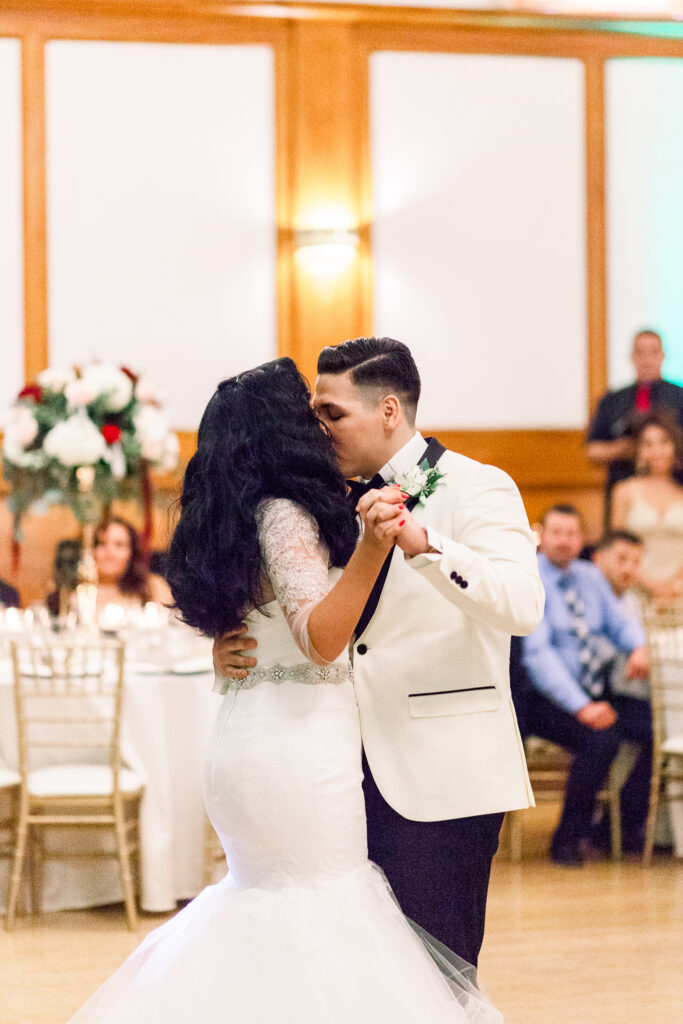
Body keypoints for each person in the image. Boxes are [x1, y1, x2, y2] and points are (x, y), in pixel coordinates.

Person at [66, 357, 503, 1024]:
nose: (319, 420)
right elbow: (320, 638)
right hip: (297, 749)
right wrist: (371, 549)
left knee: (264, 911)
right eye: (309, 411)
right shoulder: (283, 515)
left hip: (250, 736)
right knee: (318, 914)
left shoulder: (233, 515)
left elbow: (260, 625)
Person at [214, 336, 544, 967]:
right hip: (330, 777)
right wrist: (236, 645)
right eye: (315, 412)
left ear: (389, 411)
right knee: (352, 973)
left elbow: (523, 606)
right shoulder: (318, 497)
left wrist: (425, 546)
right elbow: (314, 616)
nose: (319, 427)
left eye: (332, 413)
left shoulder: (478, 486)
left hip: (439, 773)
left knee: (437, 971)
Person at [522, 505, 652, 864]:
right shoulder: (529, 576)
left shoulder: (589, 576)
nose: (565, 541)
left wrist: (639, 646)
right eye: (557, 533)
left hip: (595, 691)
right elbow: (538, 656)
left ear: (581, 540)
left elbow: (618, 623)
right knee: (599, 740)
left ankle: (618, 827)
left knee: (654, 726)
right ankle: (567, 838)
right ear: (543, 536)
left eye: (572, 534)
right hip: (543, 699)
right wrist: (582, 706)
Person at [586, 328, 683, 523]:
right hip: (624, 488)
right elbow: (592, 449)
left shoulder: (679, 398)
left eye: (653, 352)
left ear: (663, 356)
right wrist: (621, 449)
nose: (647, 359)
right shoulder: (613, 400)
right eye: (640, 352)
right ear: (632, 356)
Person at [610, 411, 683, 601]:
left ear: (674, 446)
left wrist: (675, 586)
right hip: (635, 592)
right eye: (648, 444)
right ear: (639, 451)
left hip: (678, 592)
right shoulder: (624, 491)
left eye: (664, 442)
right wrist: (652, 587)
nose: (657, 450)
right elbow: (616, 547)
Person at [592, 530, 649, 701]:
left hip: (625, 690)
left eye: (636, 562)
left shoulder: (634, 601)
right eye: (621, 559)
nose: (629, 568)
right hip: (596, 687)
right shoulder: (586, 593)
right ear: (599, 558)